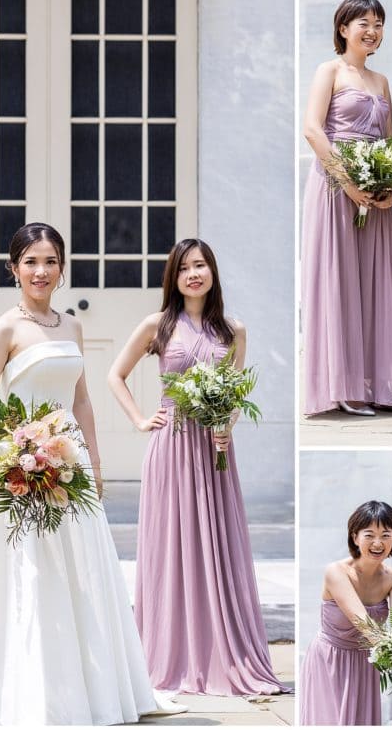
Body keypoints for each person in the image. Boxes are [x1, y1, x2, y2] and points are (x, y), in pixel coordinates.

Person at [0, 223, 172, 725]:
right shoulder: (6, 327)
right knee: (20, 573)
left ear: (62, 268)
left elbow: (81, 400)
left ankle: (86, 684)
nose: (41, 271)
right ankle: (15, 686)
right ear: (14, 268)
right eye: (30, 261)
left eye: (50, 261)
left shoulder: (71, 326)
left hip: (67, 466)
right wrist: (6, 451)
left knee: (79, 572)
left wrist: (92, 463)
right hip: (19, 465)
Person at [108, 238, 287, 695]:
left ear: (212, 271)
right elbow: (116, 374)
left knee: (215, 544)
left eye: (201, 264)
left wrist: (227, 426)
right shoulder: (157, 325)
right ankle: (170, 652)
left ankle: (218, 651)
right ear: (174, 276)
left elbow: (233, 394)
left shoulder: (233, 329)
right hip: (171, 445)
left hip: (214, 450)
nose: (193, 273)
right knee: (171, 543)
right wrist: (141, 419)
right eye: (185, 267)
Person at [301, 0, 392, 416]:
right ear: (343, 28)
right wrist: (347, 182)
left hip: (374, 190)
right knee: (338, 282)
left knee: (375, 282)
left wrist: (386, 183)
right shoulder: (329, 70)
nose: (372, 30)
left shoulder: (382, 81)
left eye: (379, 23)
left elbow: (390, 139)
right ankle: (338, 384)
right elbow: (312, 130)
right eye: (363, 22)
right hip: (334, 187)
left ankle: (376, 382)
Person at [299, 500, 392, 725]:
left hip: (366, 664)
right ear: (355, 536)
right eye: (370, 535)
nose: (378, 543)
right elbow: (363, 621)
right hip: (330, 660)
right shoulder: (336, 572)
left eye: (386, 535)